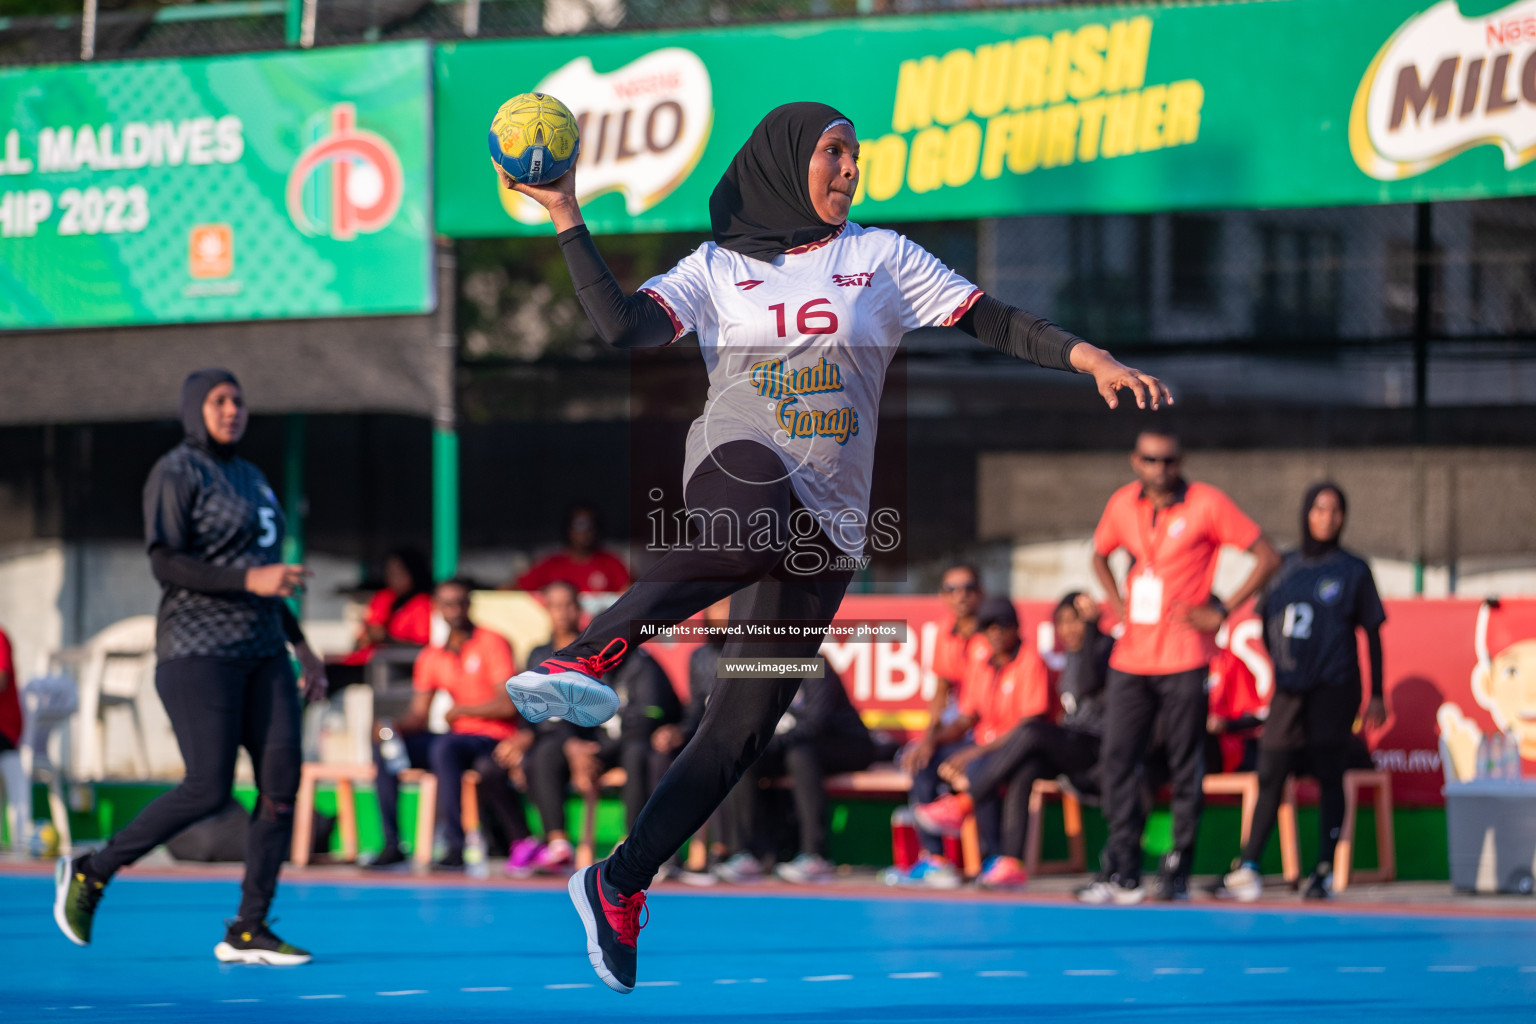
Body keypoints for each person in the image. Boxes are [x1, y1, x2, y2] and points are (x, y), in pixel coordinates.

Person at [497, 102, 1170, 994]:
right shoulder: (718, 268)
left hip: (832, 524)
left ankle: (618, 884)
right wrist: (565, 214)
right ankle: (588, 653)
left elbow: (993, 319)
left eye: (855, 155)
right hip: (738, 462)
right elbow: (623, 328)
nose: (850, 168)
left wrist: (1088, 357)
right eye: (833, 153)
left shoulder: (882, 259)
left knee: (740, 730)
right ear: (784, 162)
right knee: (750, 521)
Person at [52, 369, 327, 964]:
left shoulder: (252, 476)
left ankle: (248, 928)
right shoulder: (176, 471)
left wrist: (301, 645)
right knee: (209, 786)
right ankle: (92, 870)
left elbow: (266, 574)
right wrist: (248, 579)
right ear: (193, 409)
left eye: (238, 400)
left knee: (281, 786)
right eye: (218, 400)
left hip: (264, 651)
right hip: (197, 652)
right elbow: (167, 563)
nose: (231, 409)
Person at [1079, 430, 1280, 905]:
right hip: (1131, 657)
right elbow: (1099, 554)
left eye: (1168, 460)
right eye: (1150, 459)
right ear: (1135, 460)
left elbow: (1267, 556)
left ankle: (1177, 866)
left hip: (1185, 656)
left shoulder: (1207, 503)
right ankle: (1122, 867)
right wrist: (1117, 601)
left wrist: (1224, 610)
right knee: (1117, 760)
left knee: (1184, 764)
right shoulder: (1122, 504)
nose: (1160, 468)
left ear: (1180, 461)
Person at [1223, 482, 1386, 902]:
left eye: (1335, 510)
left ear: (1344, 517)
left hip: (1335, 687)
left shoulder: (1353, 570)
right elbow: (1264, 620)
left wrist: (1377, 694)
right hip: (1290, 690)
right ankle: (1249, 866)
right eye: (1319, 509)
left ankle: (1323, 870)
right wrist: (1283, 664)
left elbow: (1372, 633)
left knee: (1330, 772)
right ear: (1306, 513)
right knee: (1271, 770)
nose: (1327, 517)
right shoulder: (1283, 566)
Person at [913, 592, 1110, 889]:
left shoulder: (1098, 649)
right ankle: (1004, 863)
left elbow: (1070, 696)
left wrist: (1093, 627)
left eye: (1075, 621)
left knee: (1018, 742)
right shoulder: (1065, 656)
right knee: (1020, 768)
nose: (1068, 629)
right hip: (1035, 748)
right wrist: (929, 740)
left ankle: (964, 805)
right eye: (1061, 622)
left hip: (1092, 746)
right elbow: (968, 716)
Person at [370, 578, 518, 869]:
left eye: (461, 602)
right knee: (387, 747)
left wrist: (462, 708)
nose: (455, 610)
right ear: (438, 608)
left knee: (444, 747)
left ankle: (455, 846)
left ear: (469, 605)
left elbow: (508, 703)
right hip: (455, 739)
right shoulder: (432, 655)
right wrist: (390, 726)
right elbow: (418, 716)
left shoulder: (492, 642)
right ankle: (392, 844)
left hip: (490, 738)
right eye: (448, 604)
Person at [908, 597, 1052, 886]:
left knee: (980, 769)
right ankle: (936, 860)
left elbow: (1029, 728)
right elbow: (966, 719)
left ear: (1016, 628)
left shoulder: (1030, 662)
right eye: (988, 627)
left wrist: (974, 753)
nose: (996, 633)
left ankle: (995, 858)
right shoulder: (981, 662)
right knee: (924, 763)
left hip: (1012, 751)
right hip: (980, 745)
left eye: (1003, 626)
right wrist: (930, 741)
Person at [713, 664, 875, 884]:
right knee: (743, 759)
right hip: (790, 746)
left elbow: (815, 723)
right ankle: (745, 854)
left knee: (801, 755)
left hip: (844, 743)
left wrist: (769, 744)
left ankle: (815, 856)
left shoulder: (815, 665)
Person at [889, 564, 987, 888]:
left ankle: (969, 854)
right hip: (956, 733)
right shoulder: (946, 634)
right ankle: (934, 860)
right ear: (943, 596)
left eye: (968, 588)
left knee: (933, 757)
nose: (961, 595)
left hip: (985, 736)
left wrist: (932, 741)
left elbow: (972, 713)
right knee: (917, 759)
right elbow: (940, 694)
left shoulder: (991, 635)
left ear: (980, 593)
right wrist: (927, 739)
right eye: (952, 589)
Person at [497, 580, 590, 877]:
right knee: (501, 761)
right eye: (555, 606)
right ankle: (530, 842)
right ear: (547, 611)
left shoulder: (593, 650)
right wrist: (523, 735)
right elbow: (529, 706)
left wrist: (570, 742)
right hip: (544, 738)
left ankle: (558, 843)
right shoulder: (538, 654)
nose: (562, 613)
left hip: (584, 736)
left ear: (579, 609)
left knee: (546, 751)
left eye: (568, 605)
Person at [563, 646, 683, 835]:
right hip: (597, 747)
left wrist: (598, 751)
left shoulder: (643, 664)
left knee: (637, 753)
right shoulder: (582, 666)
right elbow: (565, 713)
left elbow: (648, 720)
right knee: (546, 753)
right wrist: (573, 746)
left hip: (630, 746)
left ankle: (631, 839)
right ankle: (555, 843)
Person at [340, 547, 433, 667]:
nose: (393, 578)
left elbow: (423, 649)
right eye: (390, 572)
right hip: (368, 663)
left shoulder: (423, 603)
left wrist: (387, 639)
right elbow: (361, 641)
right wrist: (368, 636)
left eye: (399, 572)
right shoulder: (384, 597)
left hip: (400, 668)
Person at [513, 504, 632, 594]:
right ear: (568, 528)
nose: (584, 532)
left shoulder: (610, 562)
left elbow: (631, 593)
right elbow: (516, 589)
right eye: (579, 525)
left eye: (590, 525)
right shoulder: (552, 564)